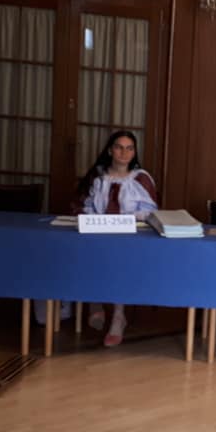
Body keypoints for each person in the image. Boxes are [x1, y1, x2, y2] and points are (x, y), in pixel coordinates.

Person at [78, 130, 158, 347]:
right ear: (110, 150)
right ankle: (94, 303)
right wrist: (93, 219)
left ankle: (118, 316)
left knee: (119, 261)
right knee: (88, 255)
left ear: (134, 152)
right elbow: (84, 205)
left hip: (129, 236)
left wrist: (128, 218)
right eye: (119, 147)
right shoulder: (97, 177)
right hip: (98, 232)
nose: (124, 153)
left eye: (129, 148)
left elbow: (150, 211)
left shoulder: (141, 178)